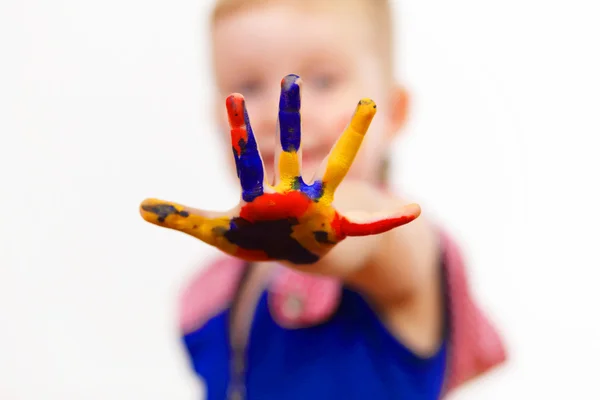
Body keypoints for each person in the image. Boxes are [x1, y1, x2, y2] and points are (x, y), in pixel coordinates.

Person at [163, 0, 506, 398]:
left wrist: (316, 227)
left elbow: (373, 239)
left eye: (323, 81)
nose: (278, 113)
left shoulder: (401, 245)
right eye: (250, 86)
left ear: (393, 113)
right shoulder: (215, 295)